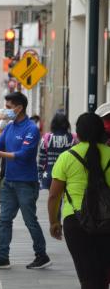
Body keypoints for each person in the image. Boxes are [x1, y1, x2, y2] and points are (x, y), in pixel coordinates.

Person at [0, 92, 51, 270]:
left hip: (26, 183)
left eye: (9, 108)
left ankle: (42, 255)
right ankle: (3, 257)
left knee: (30, 221)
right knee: (4, 220)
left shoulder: (31, 129)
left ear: (19, 108)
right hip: (9, 182)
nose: (6, 111)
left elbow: (24, 155)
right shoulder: (10, 128)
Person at [48, 113, 110, 289]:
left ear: (78, 133)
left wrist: (54, 222)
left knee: (87, 276)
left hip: (75, 222)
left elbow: (54, 196)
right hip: (107, 221)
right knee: (102, 274)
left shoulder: (66, 157)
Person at [38, 113, 77, 190]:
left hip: (50, 175)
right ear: (66, 123)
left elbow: (41, 161)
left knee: (54, 198)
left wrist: (40, 176)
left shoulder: (46, 138)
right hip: (68, 175)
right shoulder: (73, 138)